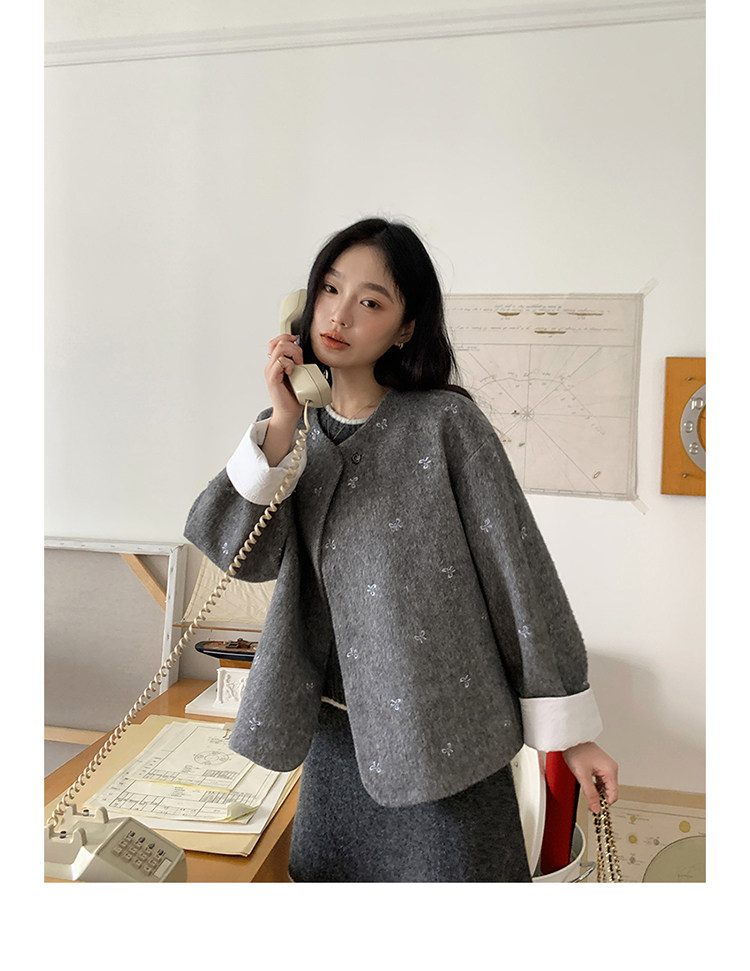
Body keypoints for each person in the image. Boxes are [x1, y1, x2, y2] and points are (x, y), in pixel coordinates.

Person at [184, 217, 618, 882]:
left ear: (405, 328)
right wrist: (282, 419)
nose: (339, 315)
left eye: (371, 301)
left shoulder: (447, 425)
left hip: (445, 747)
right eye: (330, 290)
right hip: (335, 749)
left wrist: (572, 735)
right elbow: (237, 552)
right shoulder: (293, 435)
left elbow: (519, 577)